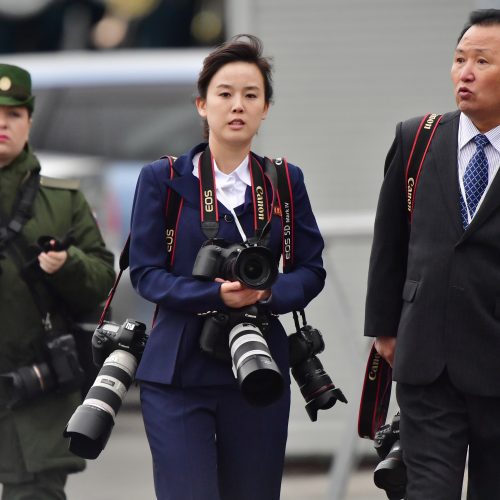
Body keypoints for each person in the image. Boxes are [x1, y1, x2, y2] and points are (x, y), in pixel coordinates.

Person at [129, 35, 326, 500]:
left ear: (265, 109)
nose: (237, 105)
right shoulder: (163, 177)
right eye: (225, 94)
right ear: (202, 104)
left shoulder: (283, 179)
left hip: (258, 365)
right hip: (177, 368)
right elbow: (146, 273)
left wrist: (266, 293)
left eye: (251, 95)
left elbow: (310, 268)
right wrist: (214, 295)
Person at [365, 9, 500, 500]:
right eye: (459, 59)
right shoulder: (417, 138)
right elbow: (390, 242)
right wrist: (385, 328)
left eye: (481, 61)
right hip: (427, 357)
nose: (464, 73)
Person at [0, 63, 115, 499]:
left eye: (13, 114)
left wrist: (66, 265)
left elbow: (104, 279)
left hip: (36, 388)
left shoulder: (62, 199)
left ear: (29, 120)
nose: (2, 124)